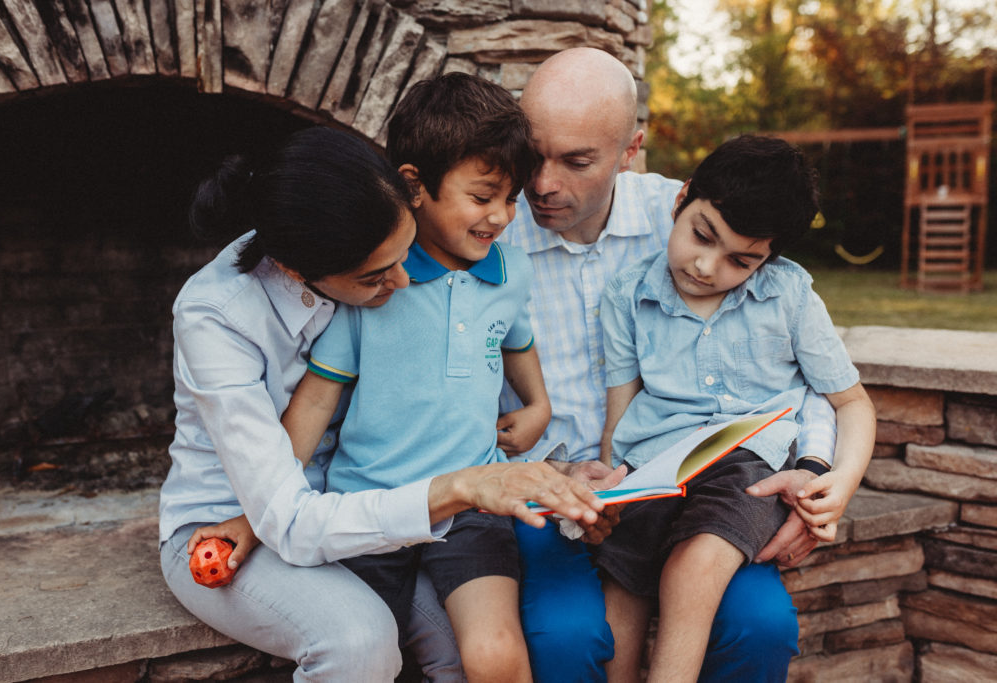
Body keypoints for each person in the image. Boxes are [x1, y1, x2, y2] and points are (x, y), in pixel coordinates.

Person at [159, 125, 607, 683]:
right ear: (301, 273)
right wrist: (459, 487)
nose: (402, 280)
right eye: (376, 275)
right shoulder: (217, 317)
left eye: (404, 255)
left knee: (472, 655)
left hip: (359, 504)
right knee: (360, 643)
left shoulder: (369, 247)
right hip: (233, 528)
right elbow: (289, 520)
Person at [498, 47, 841, 682]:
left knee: (760, 628)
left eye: (577, 161)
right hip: (546, 498)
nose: (542, 184)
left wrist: (820, 479)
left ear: (632, 149)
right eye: (531, 153)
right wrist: (545, 474)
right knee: (570, 638)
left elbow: (806, 378)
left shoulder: (698, 225)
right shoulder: (489, 233)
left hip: (691, 490)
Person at [279, 72, 545, 682]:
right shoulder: (372, 283)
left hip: (474, 503)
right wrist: (272, 497)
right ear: (414, 185)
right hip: (367, 503)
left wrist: (538, 406)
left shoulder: (511, 274)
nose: (502, 216)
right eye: (483, 197)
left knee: (495, 652)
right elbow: (318, 398)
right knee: (380, 653)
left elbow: (518, 341)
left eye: (512, 198)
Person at [592, 135, 876, 682]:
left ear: (768, 258)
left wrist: (840, 482)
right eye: (702, 235)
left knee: (695, 565)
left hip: (749, 464)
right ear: (682, 201)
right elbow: (621, 408)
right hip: (655, 467)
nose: (706, 266)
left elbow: (852, 402)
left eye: (740, 260)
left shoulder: (788, 296)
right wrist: (611, 482)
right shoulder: (627, 295)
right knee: (619, 582)